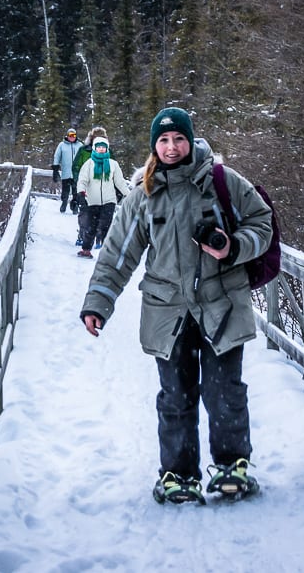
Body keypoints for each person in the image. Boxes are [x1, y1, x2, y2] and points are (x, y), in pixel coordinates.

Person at [79, 107, 273, 504]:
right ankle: (178, 475)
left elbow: (262, 224)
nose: (171, 147)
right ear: (154, 145)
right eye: (164, 141)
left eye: (179, 139)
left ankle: (232, 467)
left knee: (225, 392)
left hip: (221, 305)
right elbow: (118, 253)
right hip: (168, 311)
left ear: (190, 140)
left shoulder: (223, 182)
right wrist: (99, 302)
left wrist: (231, 246)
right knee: (176, 395)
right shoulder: (143, 195)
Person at [75, 136, 129, 259]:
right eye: (98, 147)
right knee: (91, 226)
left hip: (109, 200)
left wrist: (128, 194)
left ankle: (108, 252)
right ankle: (86, 249)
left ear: (107, 149)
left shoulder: (113, 164)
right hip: (92, 200)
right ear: (95, 148)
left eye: (103, 147)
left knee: (106, 225)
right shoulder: (88, 164)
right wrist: (81, 192)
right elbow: (82, 180)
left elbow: (119, 182)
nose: (101, 149)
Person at [71, 126, 108, 243]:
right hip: (85, 187)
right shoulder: (84, 150)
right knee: (85, 212)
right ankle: (83, 235)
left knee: (99, 212)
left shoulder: (108, 152)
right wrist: (79, 182)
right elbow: (76, 167)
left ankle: (96, 236)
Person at [53, 128, 83, 213]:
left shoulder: (80, 145)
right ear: (67, 135)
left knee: (76, 191)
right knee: (65, 190)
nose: (72, 137)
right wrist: (55, 169)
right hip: (66, 172)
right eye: (70, 135)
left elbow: (83, 157)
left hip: (77, 173)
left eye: (73, 135)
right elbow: (57, 156)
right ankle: (64, 203)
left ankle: (75, 206)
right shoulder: (62, 145)